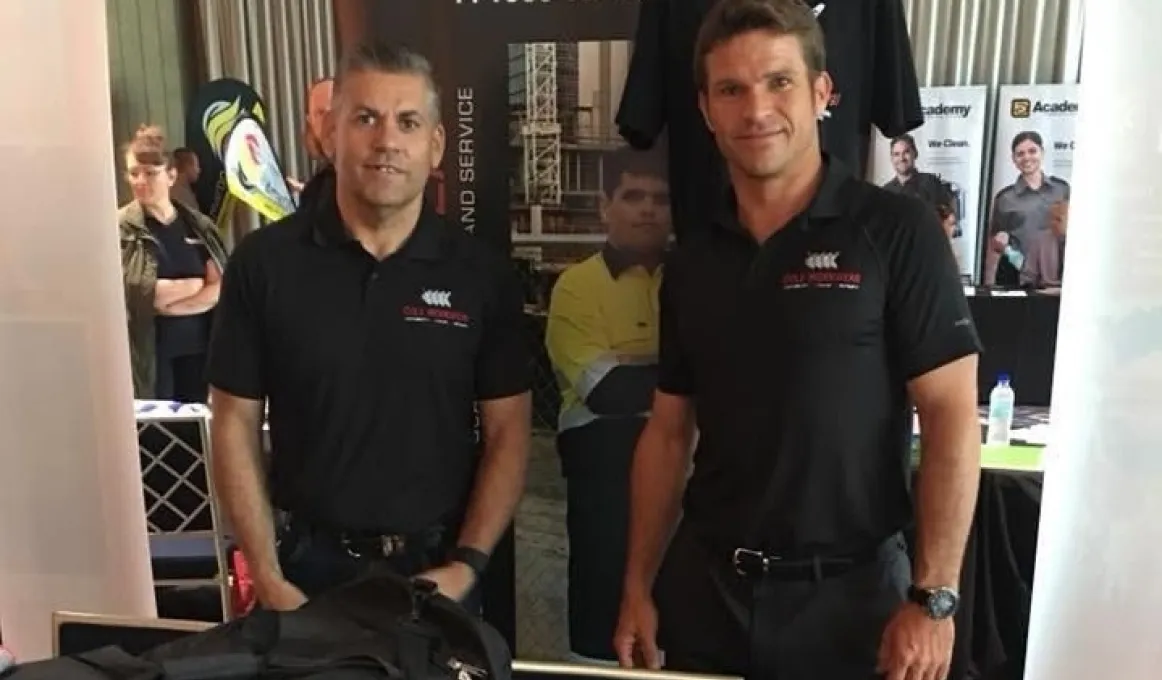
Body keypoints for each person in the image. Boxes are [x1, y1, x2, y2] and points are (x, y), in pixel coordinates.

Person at [612, 1, 983, 679]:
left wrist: (933, 598)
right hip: (709, 598)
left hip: (854, 604)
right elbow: (668, 433)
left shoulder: (897, 231)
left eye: (779, 82)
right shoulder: (693, 258)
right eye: (732, 89)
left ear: (822, 93)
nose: (756, 110)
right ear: (705, 110)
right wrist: (638, 586)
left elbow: (952, 414)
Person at [207, 41, 531, 612]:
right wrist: (267, 571)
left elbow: (508, 431)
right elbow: (233, 421)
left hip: (435, 575)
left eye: (408, 122)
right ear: (330, 133)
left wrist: (467, 564)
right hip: (304, 574)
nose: (386, 141)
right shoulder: (264, 265)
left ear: (434, 146)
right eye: (366, 118)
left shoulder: (482, 275)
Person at [544, 145, 670, 664]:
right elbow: (607, 392)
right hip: (604, 497)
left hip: (684, 498)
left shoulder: (691, 282)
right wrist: (683, 377)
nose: (647, 209)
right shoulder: (575, 287)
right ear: (604, 206)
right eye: (632, 196)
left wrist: (634, 364)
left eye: (660, 199)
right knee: (603, 651)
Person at [120, 125, 228, 402]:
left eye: (150, 173)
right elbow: (137, 293)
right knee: (159, 435)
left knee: (198, 434)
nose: (140, 181)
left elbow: (220, 287)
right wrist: (194, 286)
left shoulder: (199, 227)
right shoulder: (120, 229)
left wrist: (175, 301)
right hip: (150, 356)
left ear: (171, 176)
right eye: (134, 173)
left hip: (200, 351)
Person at [986, 131, 1071, 286]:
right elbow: (996, 241)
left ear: (1042, 153)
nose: (1026, 158)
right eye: (1020, 154)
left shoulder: (1062, 189)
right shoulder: (1005, 198)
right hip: (1018, 274)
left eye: (1032, 151)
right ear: (1013, 159)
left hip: (1058, 275)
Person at [882, 133, 954, 213]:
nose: (901, 158)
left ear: (915, 154)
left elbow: (947, 217)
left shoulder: (931, 182)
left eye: (906, 152)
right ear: (891, 159)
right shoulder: (885, 192)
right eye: (896, 154)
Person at [1020, 198, 1068, 290]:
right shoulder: (1039, 240)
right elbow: (1028, 276)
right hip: (1044, 292)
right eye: (1051, 218)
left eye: (1058, 219)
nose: (1052, 223)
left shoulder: (1086, 243)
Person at [171, 147, 203, 212]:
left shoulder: (172, 190)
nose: (199, 170)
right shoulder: (181, 196)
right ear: (188, 166)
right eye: (196, 165)